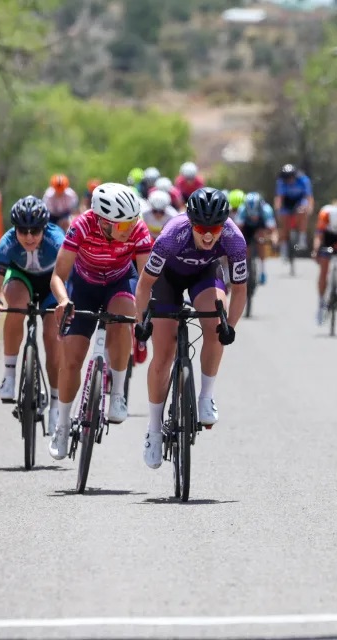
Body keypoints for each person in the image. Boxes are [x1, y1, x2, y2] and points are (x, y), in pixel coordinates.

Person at [134, 187, 247, 469]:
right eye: (201, 228)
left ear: (224, 224)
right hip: (166, 279)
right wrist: (141, 322)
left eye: (215, 228)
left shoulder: (234, 239)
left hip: (204, 276)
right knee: (163, 354)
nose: (208, 235)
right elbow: (145, 284)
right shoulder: (173, 234)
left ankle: (206, 396)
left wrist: (230, 327)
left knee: (215, 323)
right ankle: (154, 429)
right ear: (190, 222)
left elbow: (241, 289)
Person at [47, 183, 153, 461]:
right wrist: (61, 301)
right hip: (84, 286)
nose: (129, 229)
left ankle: (117, 392)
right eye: (121, 226)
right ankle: (62, 423)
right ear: (103, 222)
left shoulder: (138, 229)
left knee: (122, 316)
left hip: (119, 280)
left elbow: (146, 278)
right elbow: (58, 275)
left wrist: (149, 310)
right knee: (71, 360)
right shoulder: (81, 226)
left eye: (131, 222)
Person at [0, 196, 64, 430]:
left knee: (52, 335)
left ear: (44, 228)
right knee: (16, 306)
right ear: (14, 228)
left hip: (51, 283)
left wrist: (65, 303)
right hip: (21, 280)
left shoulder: (56, 240)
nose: (29, 237)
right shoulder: (7, 243)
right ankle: (9, 374)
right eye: (23, 230)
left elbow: (67, 279)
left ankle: (56, 403)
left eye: (35, 230)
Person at [236, 192, 278, 285]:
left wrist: (274, 242)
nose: (253, 217)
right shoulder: (242, 209)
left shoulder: (266, 210)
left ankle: (263, 270)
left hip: (261, 228)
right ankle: (246, 268)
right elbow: (237, 230)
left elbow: (273, 231)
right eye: (251, 215)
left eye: (255, 214)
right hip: (247, 228)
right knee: (244, 245)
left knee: (261, 240)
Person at [273, 164, 314, 256]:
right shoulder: (281, 182)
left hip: (300, 200)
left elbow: (309, 197)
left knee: (303, 211)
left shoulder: (304, 180)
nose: (288, 181)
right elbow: (279, 198)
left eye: (290, 178)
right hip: (287, 201)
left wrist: (309, 209)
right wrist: (278, 211)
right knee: (283, 220)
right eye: (286, 179)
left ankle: (302, 238)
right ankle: (284, 247)